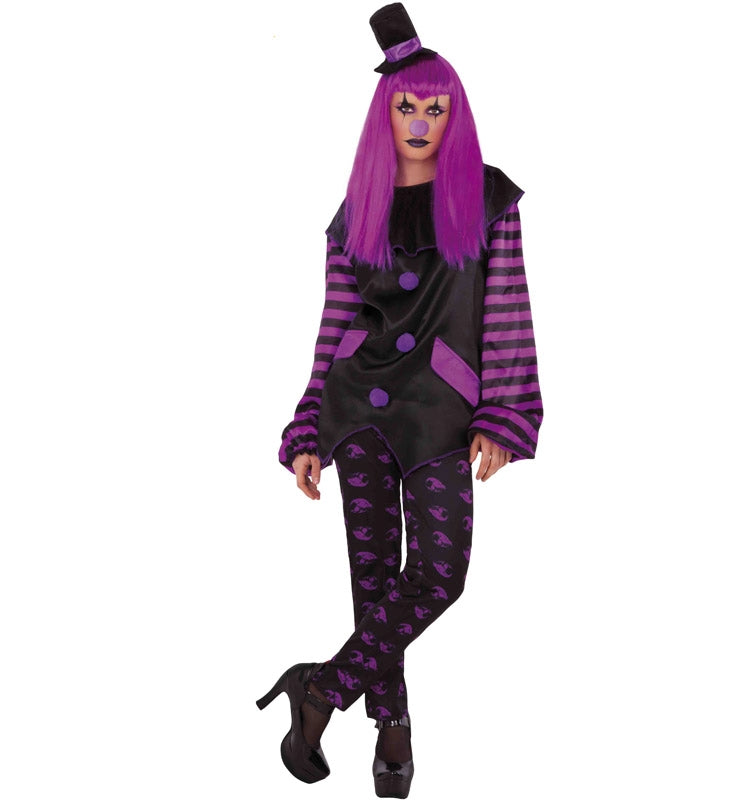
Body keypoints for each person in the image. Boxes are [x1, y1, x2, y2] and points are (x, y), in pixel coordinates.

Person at [257, 4, 543, 797]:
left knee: (440, 575)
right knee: (377, 578)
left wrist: (501, 413)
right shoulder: (357, 211)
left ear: (456, 115)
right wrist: (308, 426)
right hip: (360, 411)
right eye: (406, 107)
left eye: (435, 109)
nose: (419, 122)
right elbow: (335, 325)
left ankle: (321, 689)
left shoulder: (487, 199)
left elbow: (506, 309)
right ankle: (392, 725)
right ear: (385, 113)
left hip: (441, 414)